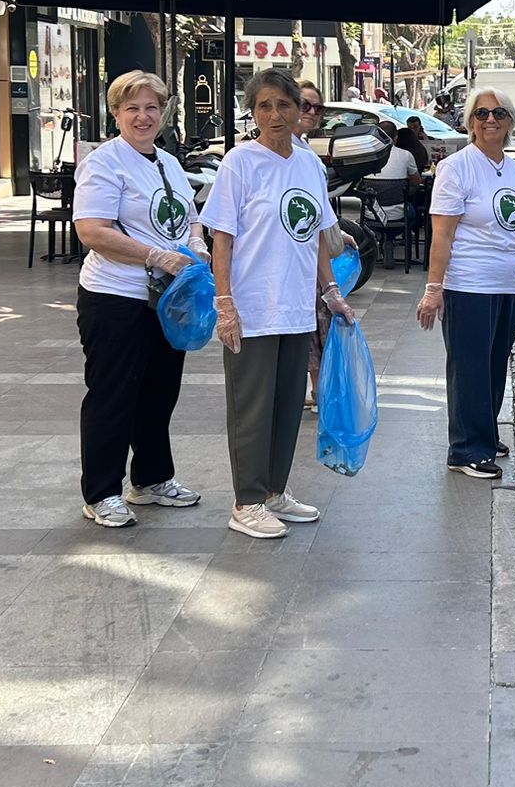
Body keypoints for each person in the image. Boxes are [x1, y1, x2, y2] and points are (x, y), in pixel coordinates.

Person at [202, 69, 355, 541]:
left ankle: (273, 491)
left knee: (288, 405)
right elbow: (221, 239)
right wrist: (225, 304)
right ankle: (246, 501)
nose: (274, 115)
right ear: (253, 112)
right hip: (252, 306)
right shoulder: (239, 163)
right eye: (264, 106)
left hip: (296, 306)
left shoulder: (308, 164)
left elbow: (317, 237)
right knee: (252, 408)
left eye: (284, 105)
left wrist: (331, 292)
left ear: (298, 110)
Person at [70, 71, 207, 528]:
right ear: (116, 113)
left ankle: (151, 478)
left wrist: (195, 243)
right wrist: (155, 255)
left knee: (159, 392)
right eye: (132, 108)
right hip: (116, 297)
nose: (143, 117)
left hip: (165, 298)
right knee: (113, 394)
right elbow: (92, 231)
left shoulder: (167, 162)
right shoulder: (104, 163)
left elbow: (189, 216)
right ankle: (101, 492)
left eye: (152, 107)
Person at [416, 87, 515, 479]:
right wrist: (433, 289)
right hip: (469, 286)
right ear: (470, 123)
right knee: (470, 368)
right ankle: (466, 450)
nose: (490, 120)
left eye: (498, 113)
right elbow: (442, 234)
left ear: (510, 122)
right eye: (481, 114)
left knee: (494, 365)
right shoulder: (456, 168)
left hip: (509, 287)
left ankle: (485, 433)